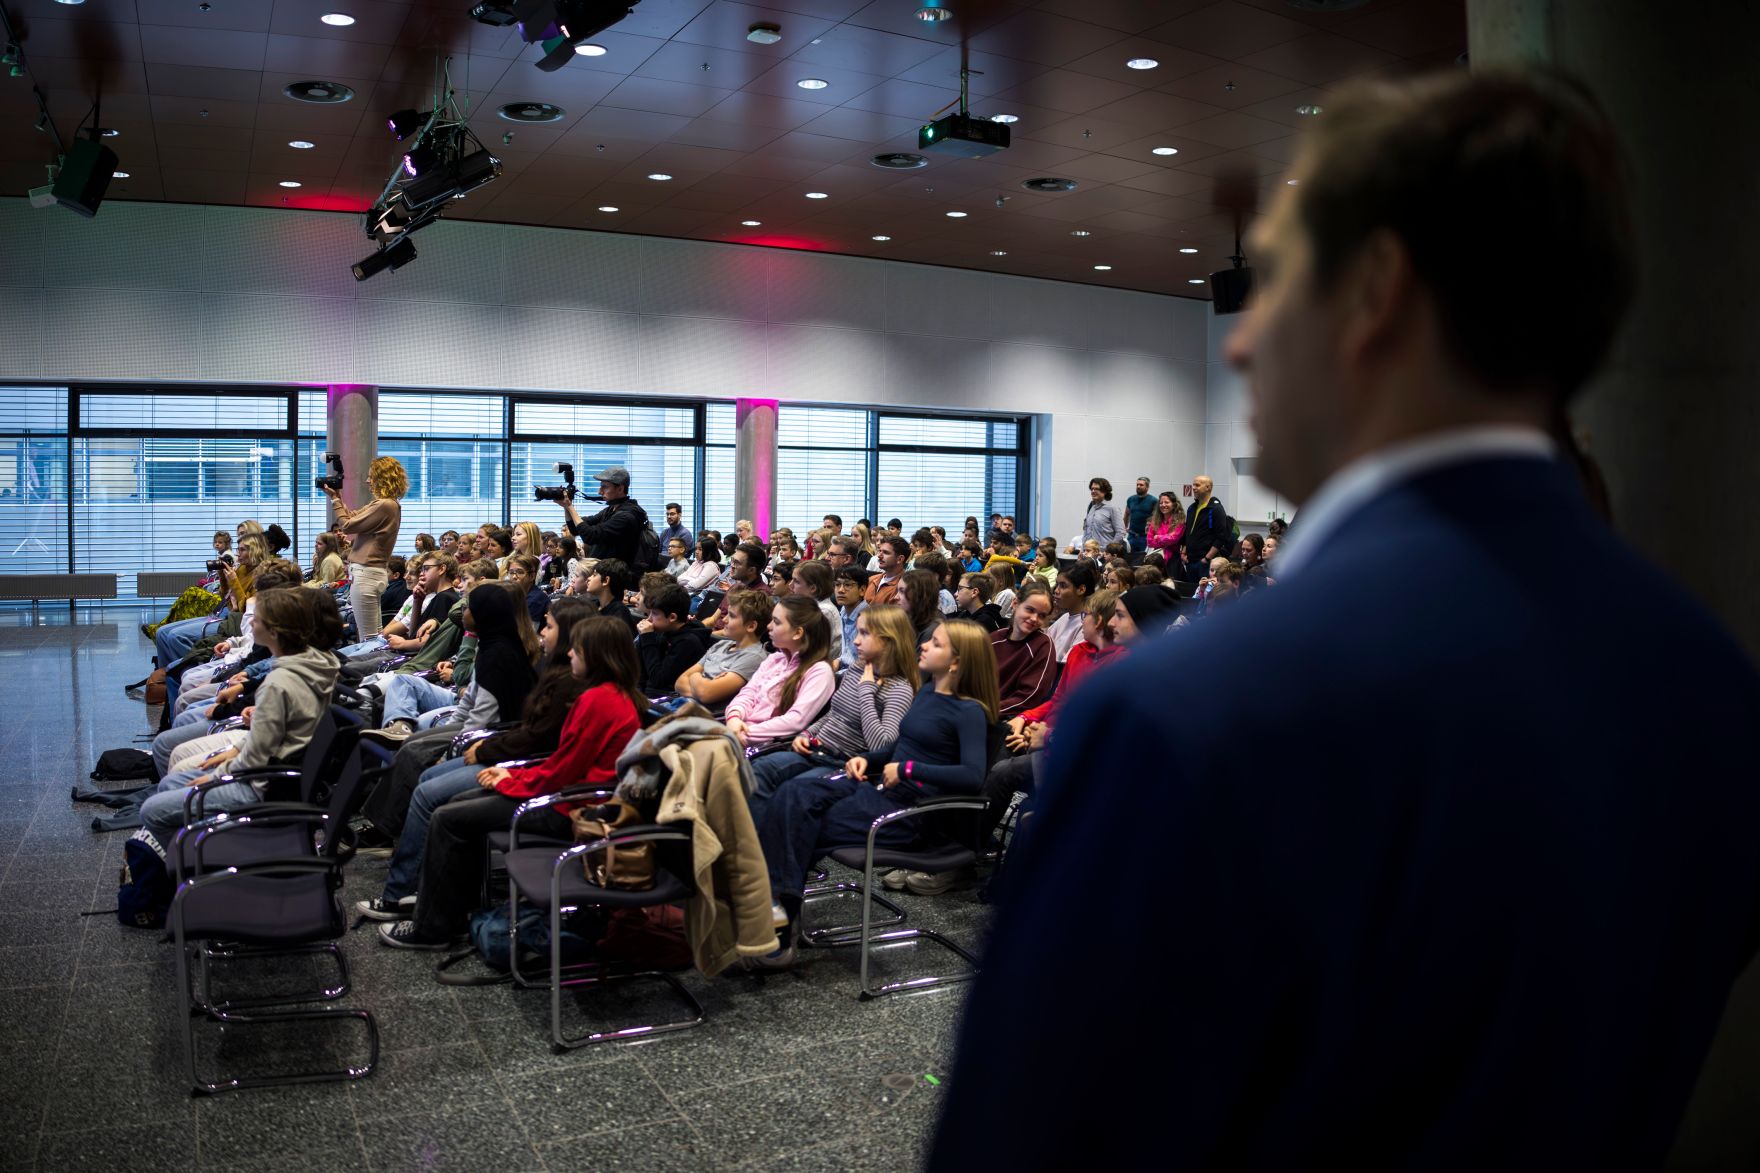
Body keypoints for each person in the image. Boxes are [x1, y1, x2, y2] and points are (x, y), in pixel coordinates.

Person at [933, 70, 1760, 1172]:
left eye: (1273, 282)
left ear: (1372, 293)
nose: (1238, 342)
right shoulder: (1711, 683)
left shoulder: (1190, 711)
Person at [377, 616, 646, 949]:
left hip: (571, 807)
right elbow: (563, 763)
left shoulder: (598, 700)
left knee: (449, 817)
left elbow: (563, 771)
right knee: (459, 808)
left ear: (597, 655)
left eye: (577, 650)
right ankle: (450, 910)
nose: (571, 655)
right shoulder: (612, 694)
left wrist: (509, 779)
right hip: (570, 793)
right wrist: (512, 775)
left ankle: (432, 929)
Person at [751, 618, 1000, 968]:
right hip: (878, 792)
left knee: (797, 818)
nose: (924, 645)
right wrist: (864, 758)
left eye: (936, 644)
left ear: (956, 662)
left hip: (911, 815)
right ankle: (776, 918)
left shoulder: (969, 711)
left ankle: (777, 929)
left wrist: (910, 769)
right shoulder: (927, 692)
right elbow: (900, 746)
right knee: (793, 795)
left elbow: (973, 775)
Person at [139, 589, 343, 849]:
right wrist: (234, 751)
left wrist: (217, 776)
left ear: (274, 632)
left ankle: (194, 864)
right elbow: (273, 735)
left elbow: (257, 757)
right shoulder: (318, 663)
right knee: (171, 783)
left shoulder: (280, 682)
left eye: (256, 619)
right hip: (280, 777)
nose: (251, 623)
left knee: (151, 811)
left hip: (261, 786)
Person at [745, 603, 919, 819]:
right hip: (816, 750)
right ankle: (753, 842)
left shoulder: (899, 689)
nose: (856, 640)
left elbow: (881, 745)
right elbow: (834, 714)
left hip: (845, 763)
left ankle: (770, 846)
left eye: (864, 633)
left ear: (888, 640)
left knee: (793, 791)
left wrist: (866, 692)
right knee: (760, 769)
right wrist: (807, 734)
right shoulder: (857, 667)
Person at [723, 596, 836, 752]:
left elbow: (795, 721)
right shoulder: (775, 659)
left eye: (776, 622)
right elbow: (748, 693)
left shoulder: (820, 671)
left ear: (797, 632)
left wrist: (744, 733)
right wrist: (734, 717)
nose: (769, 626)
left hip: (763, 745)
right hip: (736, 731)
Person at [323, 455, 406, 638]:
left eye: (371, 477)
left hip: (366, 574)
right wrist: (338, 498)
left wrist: (335, 501)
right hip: (369, 573)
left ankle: (369, 666)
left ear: (382, 478)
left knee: (368, 637)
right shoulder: (387, 505)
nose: (368, 481)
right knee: (374, 634)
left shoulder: (385, 505)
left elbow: (348, 524)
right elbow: (353, 517)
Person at [675, 590, 770, 712]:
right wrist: (701, 685)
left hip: (704, 717)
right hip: (682, 705)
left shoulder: (754, 657)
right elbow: (679, 683)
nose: (724, 620)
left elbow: (706, 694)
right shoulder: (721, 645)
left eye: (732, 616)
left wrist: (694, 676)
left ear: (751, 626)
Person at [987, 581, 1056, 721]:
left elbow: (1030, 696)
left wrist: (986, 711)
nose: (1034, 619)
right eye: (1030, 610)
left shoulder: (1043, 645)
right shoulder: (994, 638)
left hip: (1002, 719)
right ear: (1015, 603)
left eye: (1042, 615)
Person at [556, 465, 650, 566]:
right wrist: (566, 506)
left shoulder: (626, 516)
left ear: (620, 488)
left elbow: (590, 536)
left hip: (617, 576)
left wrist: (569, 506)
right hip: (604, 571)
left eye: (605, 487)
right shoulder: (610, 510)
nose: (599, 491)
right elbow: (575, 529)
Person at [635, 582, 713, 695]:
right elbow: (639, 669)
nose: (649, 619)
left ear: (672, 617)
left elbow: (658, 680)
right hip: (647, 691)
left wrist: (647, 638)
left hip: (667, 697)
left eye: (655, 613)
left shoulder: (688, 642)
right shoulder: (664, 630)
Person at [788, 559, 843, 665]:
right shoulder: (807, 606)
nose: (790, 585)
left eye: (796, 581)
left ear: (812, 588)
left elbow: (810, 652)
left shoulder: (824, 611)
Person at [1178, 474, 1230, 582]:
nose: (1194, 488)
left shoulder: (1216, 509)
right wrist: (1183, 552)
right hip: (1190, 560)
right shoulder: (1192, 508)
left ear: (1208, 487)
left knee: (1205, 593)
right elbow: (1188, 531)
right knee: (1193, 594)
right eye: (1193, 485)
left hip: (1204, 562)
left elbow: (1221, 537)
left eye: (1197, 485)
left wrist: (1207, 558)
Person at [1045, 562, 1097, 662]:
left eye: (1063, 586)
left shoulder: (1087, 625)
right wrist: (1046, 618)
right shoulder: (1065, 617)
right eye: (1057, 585)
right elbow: (1042, 646)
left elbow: (1067, 664)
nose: (1056, 590)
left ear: (1081, 589)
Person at [1067, 478, 1123, 552]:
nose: (1093, 491)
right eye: (1092, 489)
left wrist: (1109, 550)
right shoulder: (1091, 507)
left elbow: (1121, 532)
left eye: (1096, 489)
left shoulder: (1113, 508)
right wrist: (1082, 550)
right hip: (1088, 553)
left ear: (1105, 491)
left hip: (1104, 554)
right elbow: (1086, 531)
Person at [831, 567, 868, 669]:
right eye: (837, 585)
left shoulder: (867, 619)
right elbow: (846, 653)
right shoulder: (844, 610)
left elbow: (863, 664)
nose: (841, 590)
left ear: (862, 590)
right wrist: (838, 661)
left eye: (847, 585)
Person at [1144, 491, 1185, 568]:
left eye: (1166, 502)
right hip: (1157, 558)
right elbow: (1149, 542)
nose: (1163, 505)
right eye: (1161, 503)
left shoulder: (1180, 521)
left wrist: (1158, 537)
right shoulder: (1154, 521)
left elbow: (1174, 539)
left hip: (1173, 560)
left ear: (1174, 505)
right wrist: (1166, 539)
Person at [864, 535, 907, 607]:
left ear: (899, 559)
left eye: (885, 552)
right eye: (879, 551)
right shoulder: (871, 579)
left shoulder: (904, 586)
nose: (879, 556)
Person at [1121, 476, 1155, 557]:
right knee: (1128, 558)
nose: (1138, 486)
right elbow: (1126, 514)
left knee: (1142, 559)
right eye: (1137, 484)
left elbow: (1156, 519)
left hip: (1145, 537)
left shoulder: (1153, 501)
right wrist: (1124, 528)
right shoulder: (1131, 499)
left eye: (1141, 485)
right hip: (1132, 536)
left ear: (1147, 487)